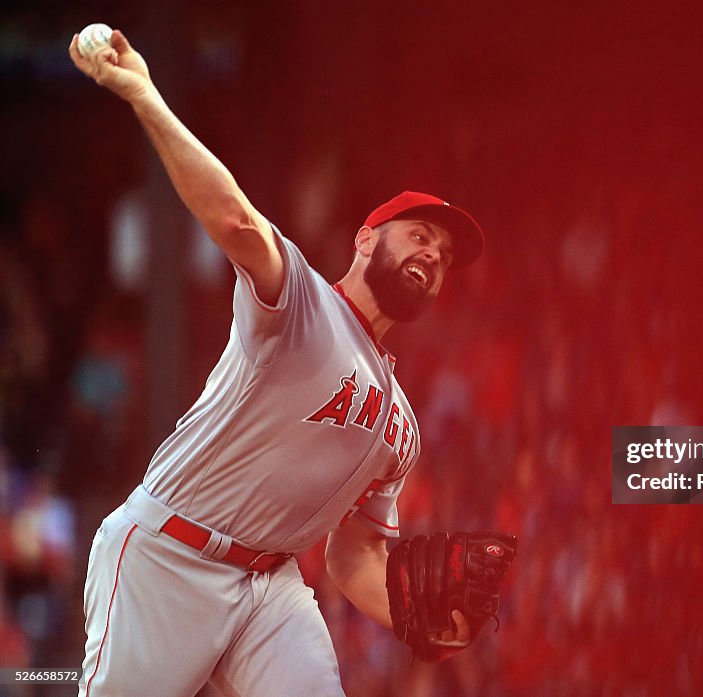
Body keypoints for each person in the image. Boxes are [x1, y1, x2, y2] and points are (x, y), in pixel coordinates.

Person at [69, 29, 485, 697]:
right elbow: (235, 221)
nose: (435, 254)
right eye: (421, 234)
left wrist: (422, 621)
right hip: (168, 555)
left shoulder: (402, 427)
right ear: (367, 239)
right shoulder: (299, 300)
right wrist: (144, 92)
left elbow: (355, 557)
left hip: (269, 586)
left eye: (444, 255)